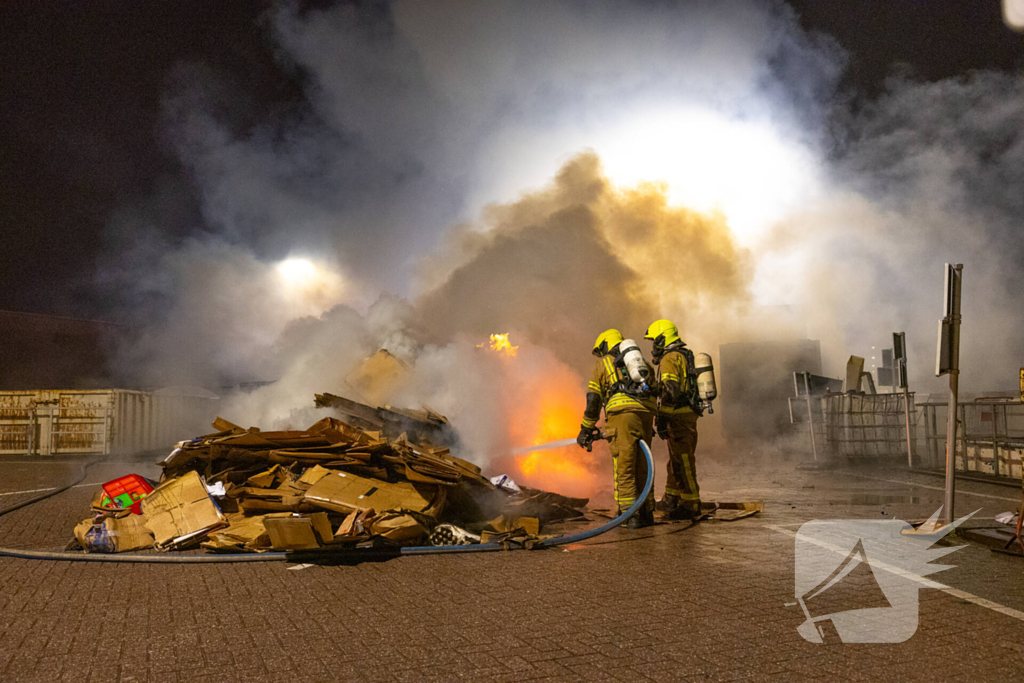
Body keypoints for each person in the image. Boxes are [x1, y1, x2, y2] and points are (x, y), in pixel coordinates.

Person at [577, 328, 657, 529]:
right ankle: (647, 512)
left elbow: (593, 401)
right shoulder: (644, 364)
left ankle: (630, 515)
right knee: (643, 466)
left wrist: (586, 428)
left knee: (625, 467)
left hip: (622, 417)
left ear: (605, 345)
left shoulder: (602, 364)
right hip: (646, 416)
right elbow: (655, 391)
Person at [644, 319, 702, 520]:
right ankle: (671, 498)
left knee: (683, 460)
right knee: (675, 459)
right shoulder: (682, 354)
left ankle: (690, 503)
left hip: (678, 415)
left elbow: (670, 391)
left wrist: (661, 418)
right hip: (685, 413)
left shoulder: (670, 358)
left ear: (662, 338)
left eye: (654, 340)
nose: (653, 346)